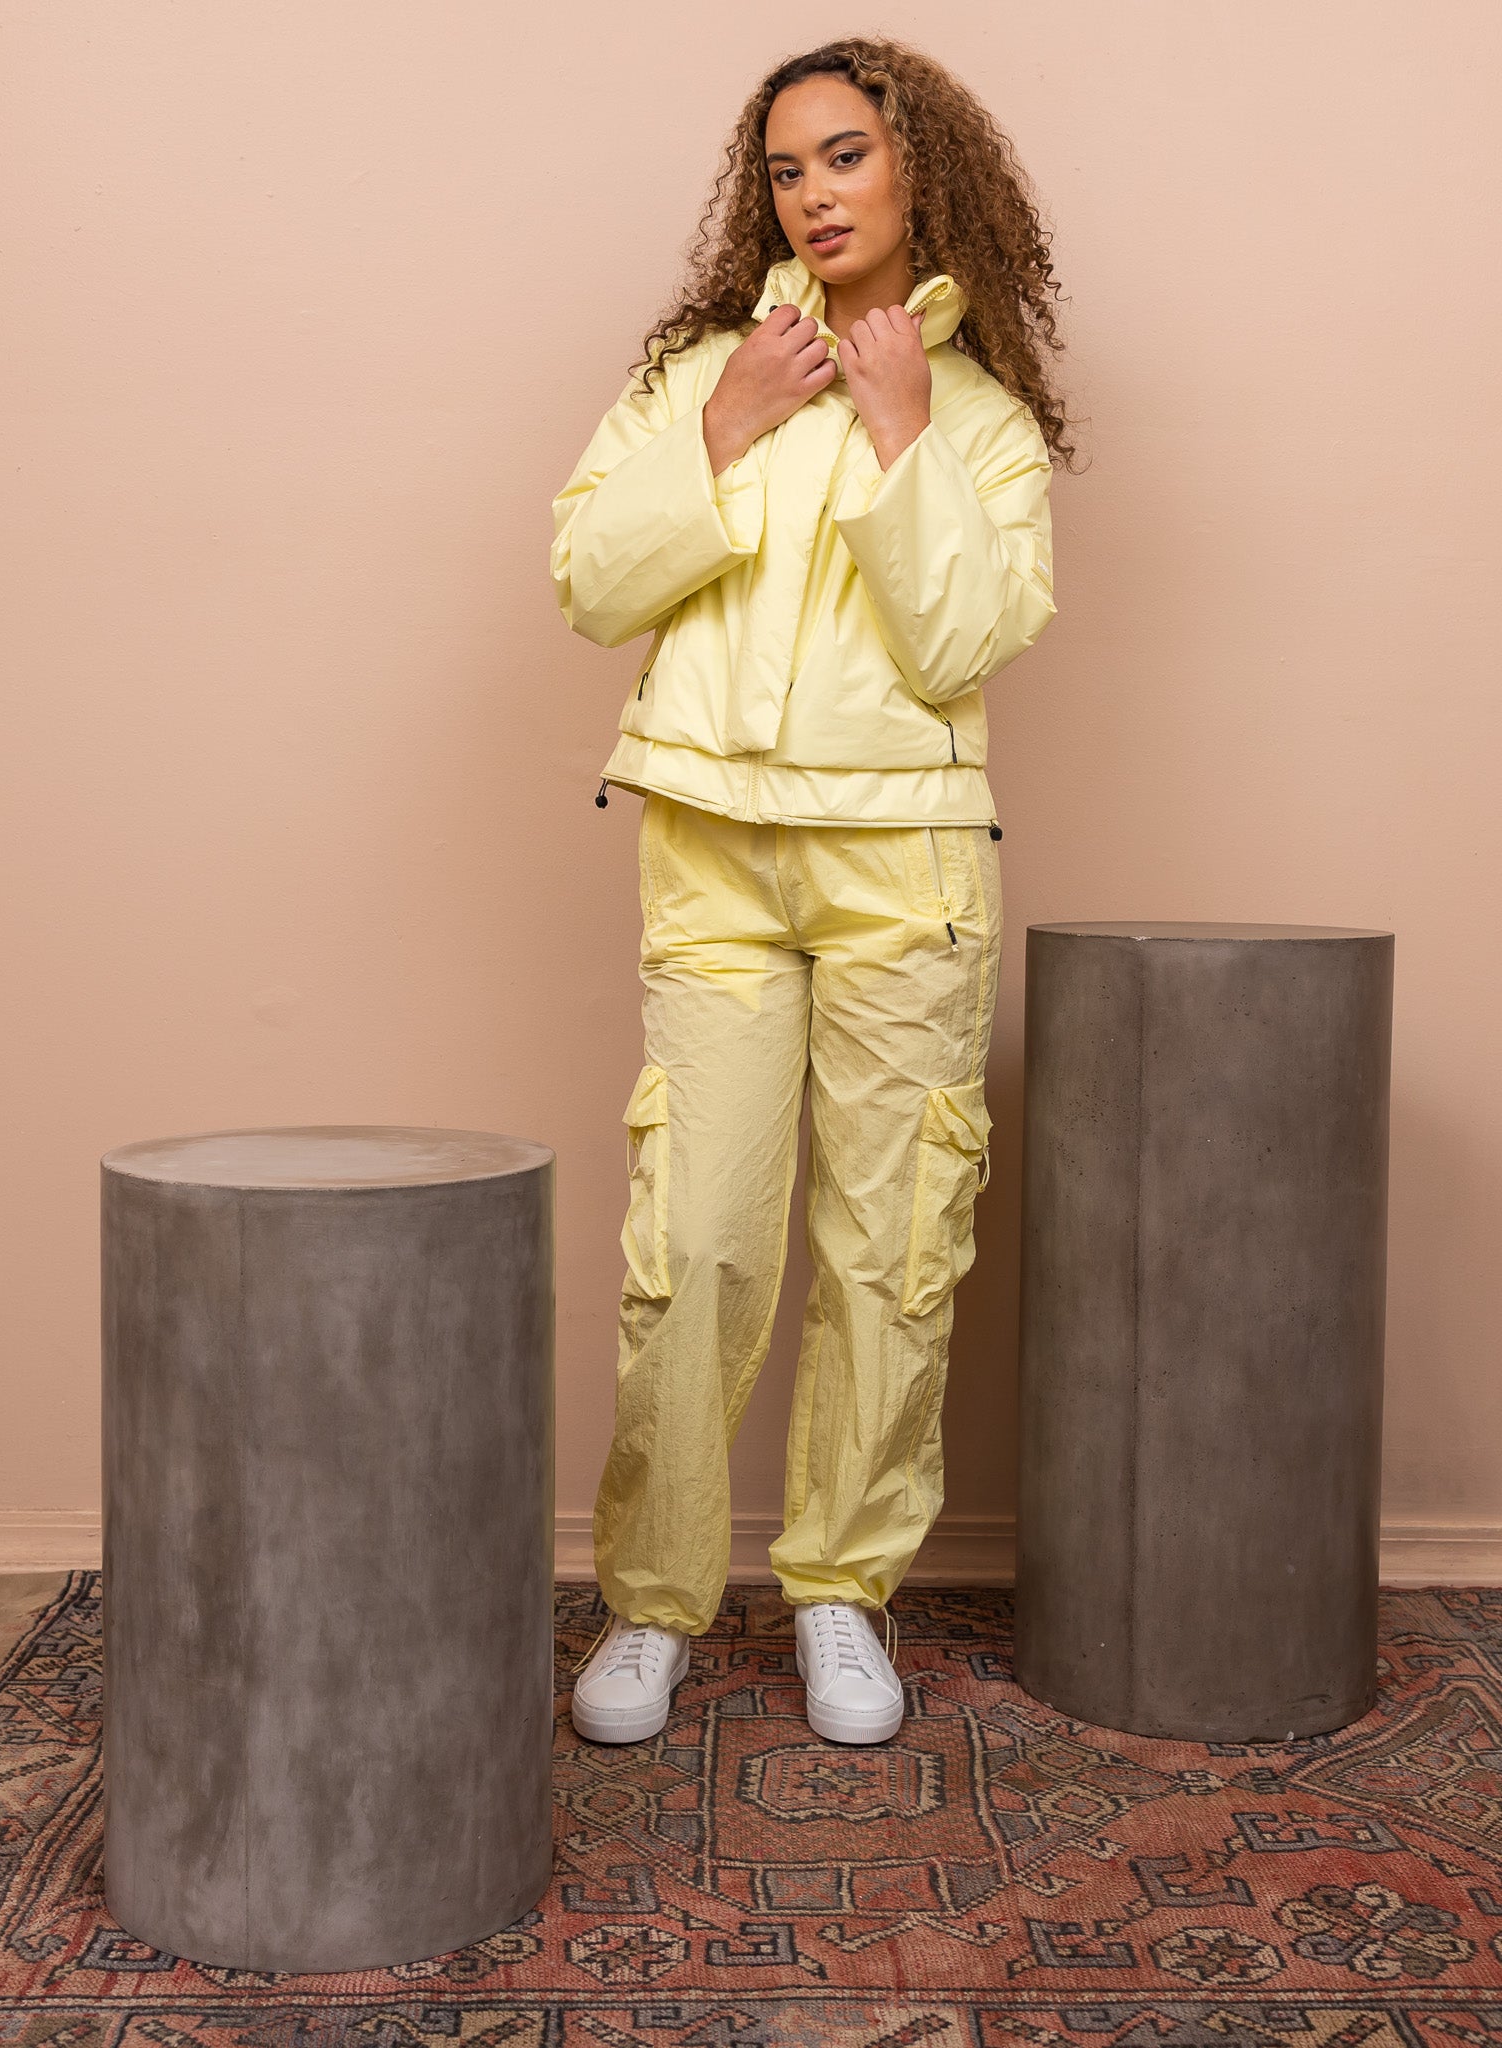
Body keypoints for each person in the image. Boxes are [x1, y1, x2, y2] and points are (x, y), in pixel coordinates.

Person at [551, 35, 1074, 1747]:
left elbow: (963, 640)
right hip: (712, 848)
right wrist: (725, 427)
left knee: (888, 1246)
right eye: (786, 168)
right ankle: (655, 1601)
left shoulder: (982, 419)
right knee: (691, 1243)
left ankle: (844, 1588)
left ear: (922, 170)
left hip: (901, 868)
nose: (814, 194)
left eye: (846, 156)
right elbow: (590, 583)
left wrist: (904, 432)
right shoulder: (703, 376)